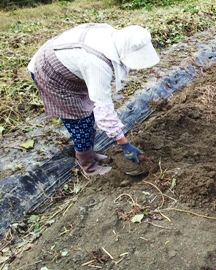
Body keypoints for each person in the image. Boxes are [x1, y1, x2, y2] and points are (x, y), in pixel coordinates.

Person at [27, 23, 160, 177]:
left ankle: (87, 152)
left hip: (69, 66)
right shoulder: (97, 63)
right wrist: (125, 144)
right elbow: (104, 110)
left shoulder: (113, 36)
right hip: (50, 72)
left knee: (88, 115)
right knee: (80, 122)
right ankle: (88, 166)